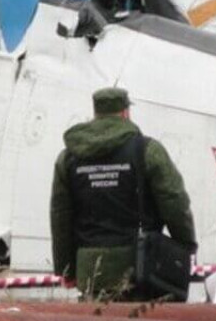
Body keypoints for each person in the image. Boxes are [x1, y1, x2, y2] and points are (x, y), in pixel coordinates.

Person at [50, 87, 196, 300]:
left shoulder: (68, 158)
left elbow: (60, 218)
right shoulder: (147, 150)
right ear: (126, 112)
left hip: (91, 272)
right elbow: (174, 202)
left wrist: (65, 270)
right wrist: (185, 247)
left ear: (96, 113)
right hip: (141, 266)